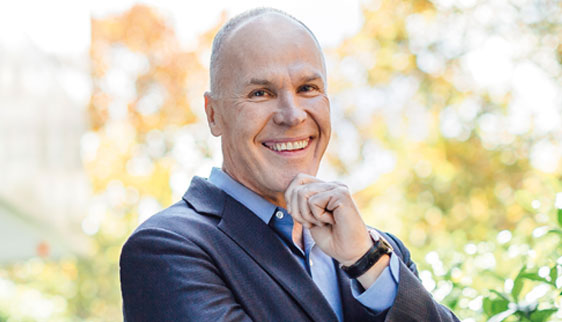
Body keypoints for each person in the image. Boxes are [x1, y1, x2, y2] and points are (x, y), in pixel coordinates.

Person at [120, 7, 459, 322]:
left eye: (307, 88)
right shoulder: (167, 249)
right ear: (213, 114)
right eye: (260, 93)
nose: (292, 115)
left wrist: (364, 261)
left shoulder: (378, 252)